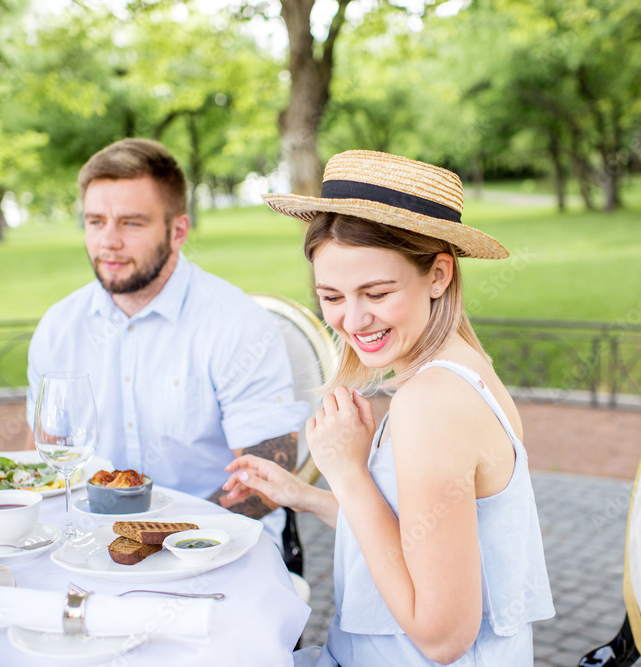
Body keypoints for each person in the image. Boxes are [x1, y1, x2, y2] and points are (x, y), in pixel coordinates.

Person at [224, 150, 555, 665]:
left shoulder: (432, 404)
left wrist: (348, 473)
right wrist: (305, 496)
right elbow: (417, 537)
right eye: (331, 297)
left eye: (375, 292)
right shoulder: (462, 367)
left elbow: (442, 637)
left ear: (439, 276)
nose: (353, 321)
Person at [27, 138, 306, 545]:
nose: (109, 241)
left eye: (131, 222)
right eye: (95, 221)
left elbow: (269, 473)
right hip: (93, 542)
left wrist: (155, 541)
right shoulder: (59, 327)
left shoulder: (236, 323)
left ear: (178, 231)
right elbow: (48, 459)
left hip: (218, 544)